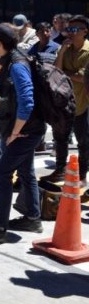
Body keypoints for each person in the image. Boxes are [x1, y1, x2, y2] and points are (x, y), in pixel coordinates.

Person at [0, 23, 46, 244]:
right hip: (27, 130)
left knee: (3, 174)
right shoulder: (12, 59)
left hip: (25, 132)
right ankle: (33, 218)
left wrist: (15, 132)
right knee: (26, 172)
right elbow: (11, 87)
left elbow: (27, 100)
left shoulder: (17, 64)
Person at [54, 15, 89, 184]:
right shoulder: (66, 49)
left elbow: (83, 78)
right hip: (65, 102)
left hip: (83, 102)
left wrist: (65, 74)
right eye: (69, 29)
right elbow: (56, 71)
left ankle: (82, 174)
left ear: (85, 32)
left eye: (75, 30)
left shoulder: (88, 51)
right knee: (60, 138)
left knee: (83, 141)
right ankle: (60, 169)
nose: (71, 33)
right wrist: (61, 52)